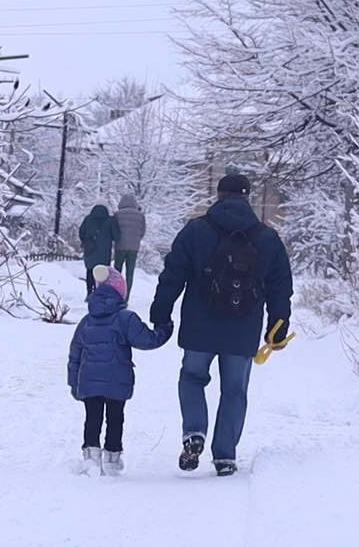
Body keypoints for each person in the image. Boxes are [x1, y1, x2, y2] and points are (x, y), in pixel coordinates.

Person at [148, 174, 293, 476]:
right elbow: (280, 286)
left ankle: (194, 433)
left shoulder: (196, 230)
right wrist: (277, 326)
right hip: (243, 329)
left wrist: (161, 312)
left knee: (192, 377)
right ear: (248, 197)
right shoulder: (267, 238)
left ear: (219, 195)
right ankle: (225, 455)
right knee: (235, 391)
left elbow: (172, 274)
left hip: (199, 325)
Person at [69, 265, 172, 476]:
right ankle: (112, 459)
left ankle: (91, 457)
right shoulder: (125, 319)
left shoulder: (86, 322)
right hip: (117, 380)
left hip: (89, 381)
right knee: (115, 418)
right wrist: (165, 329)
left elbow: (75, 355)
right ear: (120, 293)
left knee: (92, 418)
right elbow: (148, 340)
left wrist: (74, 383)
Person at [78, 202, 119, 296]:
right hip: (104, 253)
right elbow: (116, 236)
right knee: (103, 273)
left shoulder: (88, 219)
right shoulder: (110, 220)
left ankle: (89, 292)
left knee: (90, 271)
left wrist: (86, 241)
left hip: (90, 250)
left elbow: (81, 233)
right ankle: (100, 293)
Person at [112, 194, 146, 301]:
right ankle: (126, 297)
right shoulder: (140, 216)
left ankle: (116, 294)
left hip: (120, 247)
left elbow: (114, 230)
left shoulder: (117, 215)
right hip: (133, 247)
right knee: (130, 272)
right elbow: (142, 231)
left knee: (117, 272)